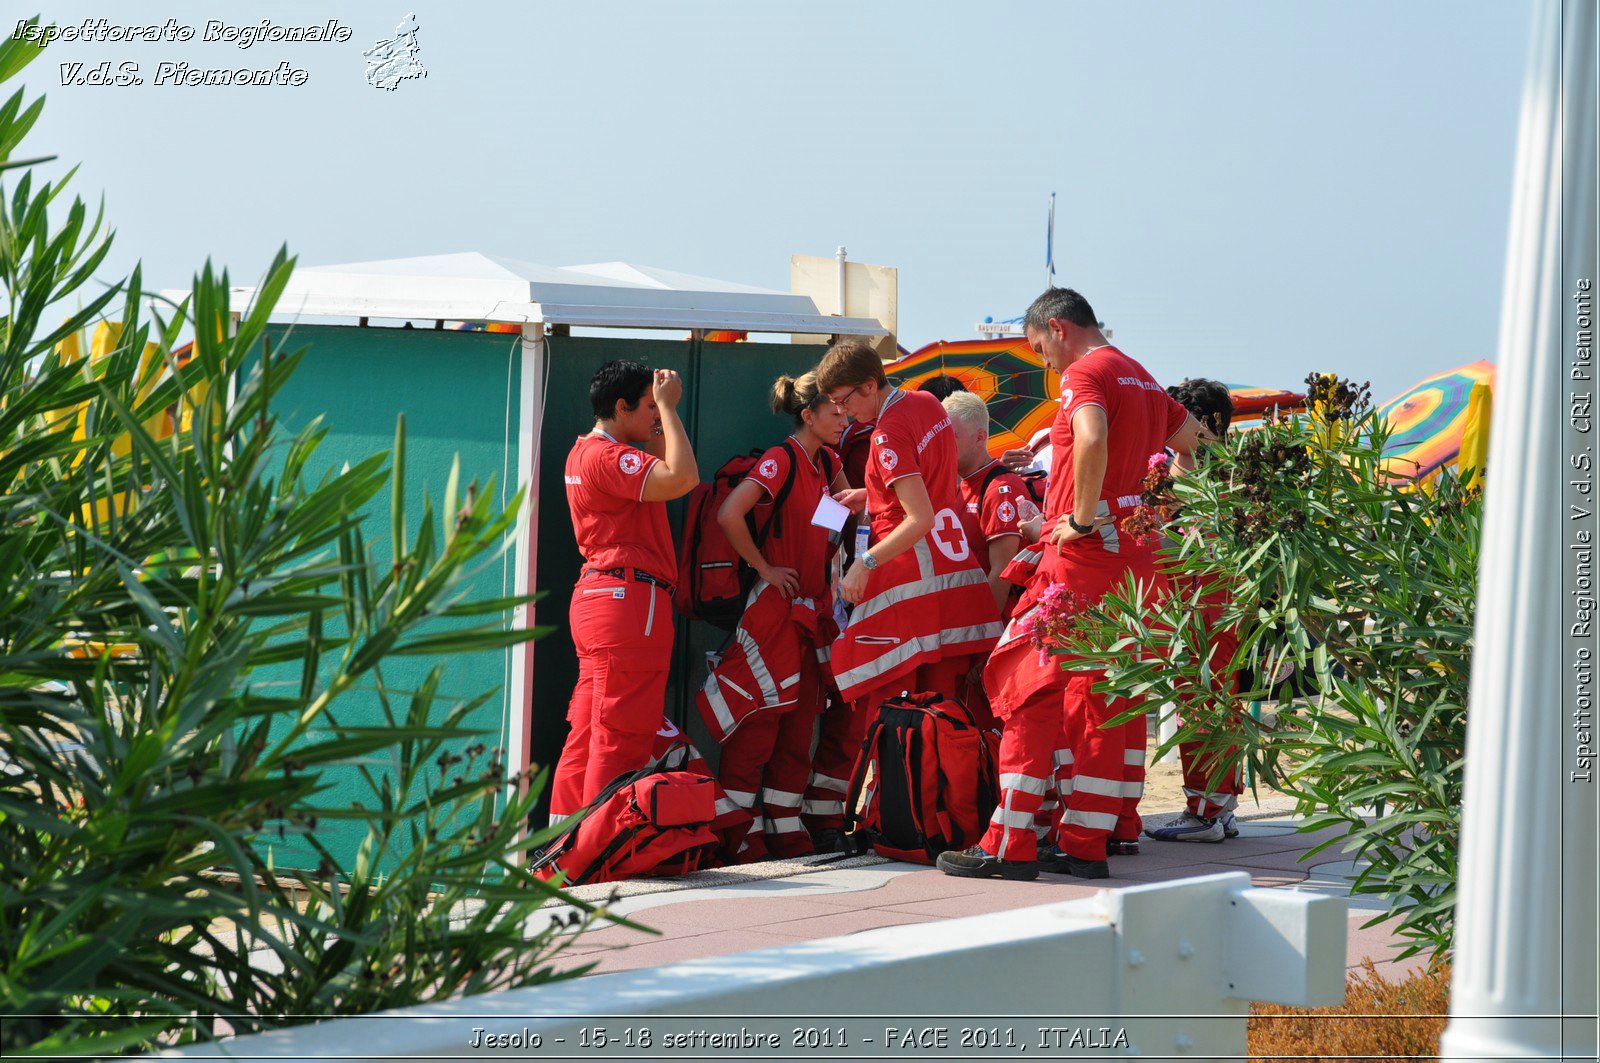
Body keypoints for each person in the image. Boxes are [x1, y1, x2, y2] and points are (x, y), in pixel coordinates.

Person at [937, 288, 1205, 881]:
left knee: (1023, 689)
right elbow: (1202, 450)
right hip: (1131, 566)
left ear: (1059, 329)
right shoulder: (1141, 375)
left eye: (1039, 348)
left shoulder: (1085, 372)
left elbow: (1089, 436)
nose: (1044, 363)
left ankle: (1008, 844)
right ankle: (1085, 841)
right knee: (1104, 701)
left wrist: (1084, 517)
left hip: (1079, 561)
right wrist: (1149, 510)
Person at [806, 342, 1002, 840]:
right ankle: (950, 816)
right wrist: (870, 498)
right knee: (948, 713)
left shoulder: (886, 434)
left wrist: (865, 564)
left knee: (881, 701)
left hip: (911, 584)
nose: (845, 412)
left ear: (871, 386)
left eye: (847, 400)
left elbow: (918, 517)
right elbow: (931, 491)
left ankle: (901, 821)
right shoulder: (925, 403)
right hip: (955, 585)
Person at [704, 372, 848, 859]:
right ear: (808, 415)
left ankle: (783, 821)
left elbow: (839, 521)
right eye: (835, 411)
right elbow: (729, 514)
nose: (843, 418)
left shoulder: (828, 462)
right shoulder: (781, 458)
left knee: (801, 718)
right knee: (761, 718)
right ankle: (737, 829)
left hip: (813, 612)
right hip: (774, 609)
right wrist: (763, 565)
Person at [550, 361, 699, 820]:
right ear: (620, 406)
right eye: (648, 408)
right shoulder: (607, 456)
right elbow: (683, 477)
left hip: (601, 596)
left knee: (589, 732)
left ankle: (562, 845)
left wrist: (659, 412)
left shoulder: (586, 452)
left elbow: (659, 459)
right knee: (621, 734)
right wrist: (672, 408)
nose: (655, 416)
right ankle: (598, 852)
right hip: (628, 600)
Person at [1143, 378, 1245, 844]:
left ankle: (1204, 810)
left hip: (1210, 607)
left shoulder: (1219, 478)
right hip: (1199, 605)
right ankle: (1222, 806)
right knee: (1216, 706)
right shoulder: (1228, 473)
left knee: (1204, 706)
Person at [944, 391, 1036, 619]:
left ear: (979, 437)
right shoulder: (959, 484)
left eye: (951, 436)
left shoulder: (1001, 490)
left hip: (995, 627)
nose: (943, 444)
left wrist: (979, 633)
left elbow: (1002, 574)